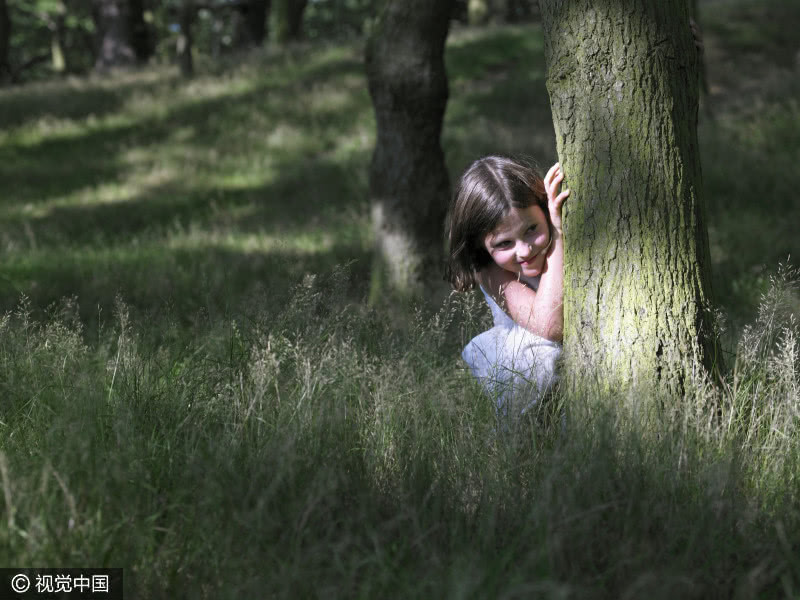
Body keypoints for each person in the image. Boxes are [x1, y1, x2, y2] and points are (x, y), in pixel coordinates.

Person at [445, 156, 569, 419]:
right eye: (504, 244)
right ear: (481, 247)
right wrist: (555, 234)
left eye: (531, 229)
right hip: (530, 362)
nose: (524, 250)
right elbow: (549, 326)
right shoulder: (489, 271)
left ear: (544, 207)